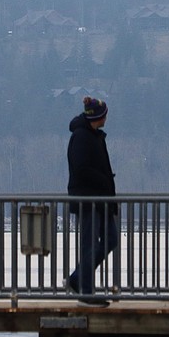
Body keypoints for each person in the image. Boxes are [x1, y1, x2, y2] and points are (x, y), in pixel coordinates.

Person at [65, 96, 118, 307]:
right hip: (88, 200)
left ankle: (77, 279)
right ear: (99, 116)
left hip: (102, 200)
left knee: (111, 239)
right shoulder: (81, 137)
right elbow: (80, 169)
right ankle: (85, 292)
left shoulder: (95, 136)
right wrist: (103, 180)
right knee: (88, 245)